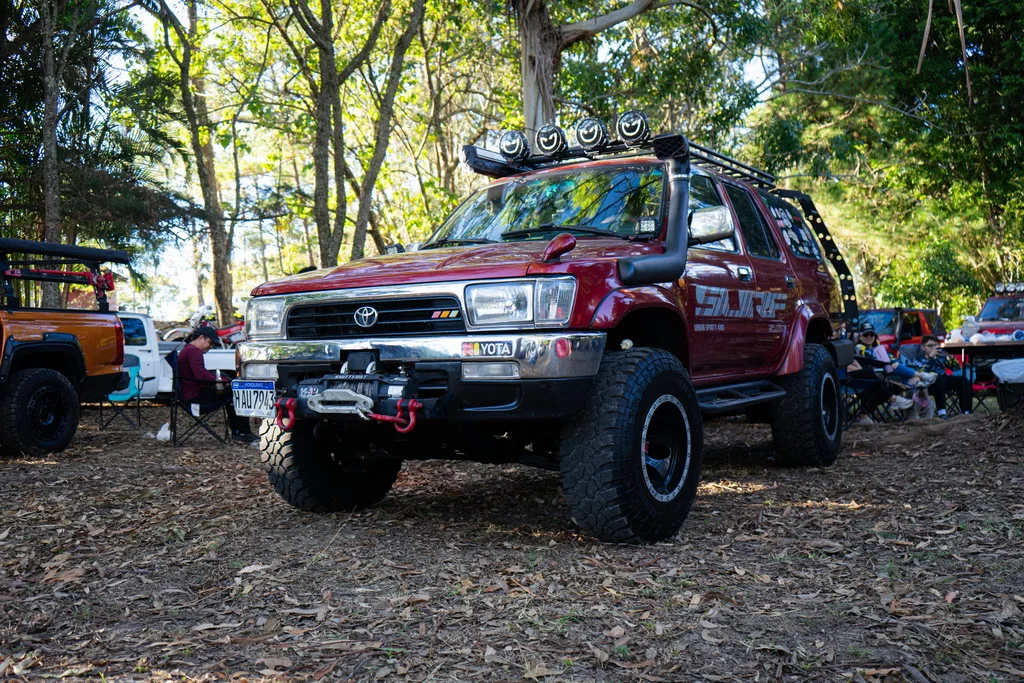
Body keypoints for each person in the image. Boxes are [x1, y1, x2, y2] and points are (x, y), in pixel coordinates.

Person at [178, 326, 257, 444]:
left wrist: (223, 380)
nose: (210, 347)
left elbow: (200, 373)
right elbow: (201, 376)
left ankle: (239, 431)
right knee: (238, 390)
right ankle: (242, 433)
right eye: (210, 343)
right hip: (196, 398)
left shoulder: (187, 349)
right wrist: (225, 381)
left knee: (231, 393)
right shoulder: (193, 351)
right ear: (201, 338)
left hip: (189, 395)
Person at [906, 334, 970, 419]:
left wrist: (951, 357)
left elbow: (956, 368)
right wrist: (930, 357)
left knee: (963, 380)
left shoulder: (941, 358)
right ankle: (942, 413)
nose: (933, 348)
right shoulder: (918, 359)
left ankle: (966, 412)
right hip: (927, 384)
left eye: (935, 345)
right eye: (930, 346)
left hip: (944, 380)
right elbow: (920, 371)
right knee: (939, 380)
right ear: (923, 347)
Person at [856, 323, 935, 387]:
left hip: (890, 372)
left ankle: (913, 403)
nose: (869, 337)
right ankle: (923, 376)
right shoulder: (859, 347)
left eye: (871, 334)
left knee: (916, 379)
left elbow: (890, 357)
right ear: (860, 336)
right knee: (895, 365)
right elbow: (872, 357)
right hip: (877, 374)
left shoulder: (878, 347)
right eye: (866, 335)